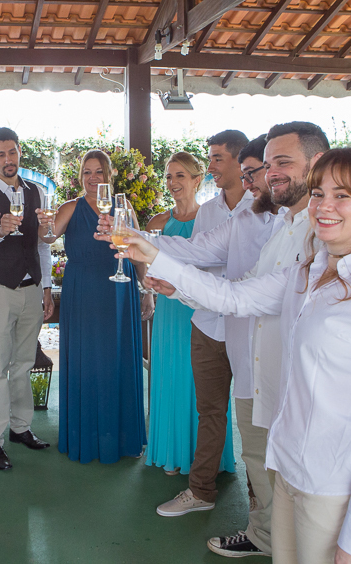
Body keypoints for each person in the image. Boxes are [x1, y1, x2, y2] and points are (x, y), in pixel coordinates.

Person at [132, 146, 351, 564]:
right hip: (289, 468)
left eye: (342, 196)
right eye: (320, 193)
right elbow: (232, 296)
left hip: (332, 485)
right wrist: (154, 254)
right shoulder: (308, 273)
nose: (324, 207)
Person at [145, 131, 249, 513]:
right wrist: (138, 242)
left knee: (254, 411)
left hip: (247, 319)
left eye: (218, 159)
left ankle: (259, 497)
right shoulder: (208, 214)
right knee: (207, 405)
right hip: (201, 315)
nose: (211, 166)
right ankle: (200, 487)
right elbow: (197, 254)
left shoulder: (263, 208)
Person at [43, 149, 150, 464]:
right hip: (84, 290)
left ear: (108, 175)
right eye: (87, 172)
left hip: (120, 286)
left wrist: (147, 290)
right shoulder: (70, 207)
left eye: (99, 172)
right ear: (81, 177)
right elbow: (47, 237)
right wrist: (45, 223)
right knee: (88, 358)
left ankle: (122, 435)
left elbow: (138, 248)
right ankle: (86, 435)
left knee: (117, 356)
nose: (93, 178)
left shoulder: (124, 206)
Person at [0, 127, 54, 471]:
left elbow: (44, 243)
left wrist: (46, 288)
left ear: (20, 153)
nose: (8, 159)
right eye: (1, 154)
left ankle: (21, 427)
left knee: (23, 362)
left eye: (13, 152)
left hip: (31, 288)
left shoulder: (37, 192)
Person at [143, 151, 203, 477]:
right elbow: (143, 262)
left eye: (180, 175)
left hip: (198, 308)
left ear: (198, 180)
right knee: (166, 374)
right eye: (168, 176)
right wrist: (147, 288)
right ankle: (171, 449)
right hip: (167, 309)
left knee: (197, 379)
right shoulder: (159, 223)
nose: (173, 182)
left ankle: (199, 454)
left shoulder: (210, 221)